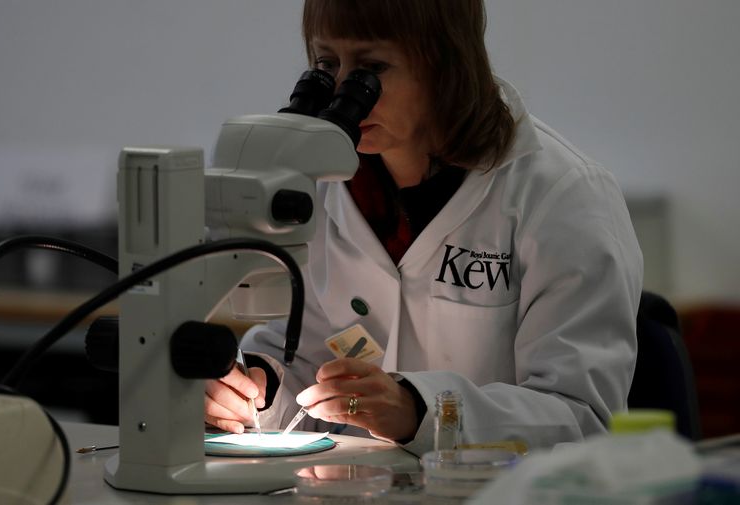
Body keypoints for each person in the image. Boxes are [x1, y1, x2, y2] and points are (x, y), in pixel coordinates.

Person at [204, 0, 643, 456]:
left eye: (372, 68)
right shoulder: (324, 188)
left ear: (446, 64)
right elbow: (310, 360)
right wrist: (262, 387)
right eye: (326, 64)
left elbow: (583, 418)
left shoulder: (561, 196)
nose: (341, 90)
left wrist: (417, 409)